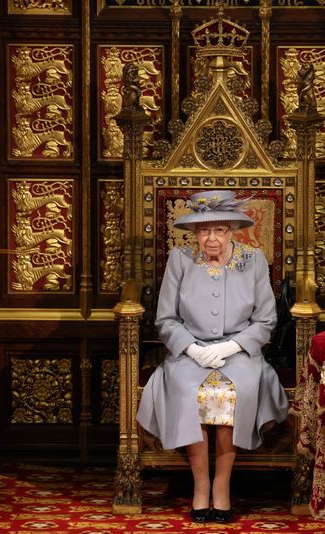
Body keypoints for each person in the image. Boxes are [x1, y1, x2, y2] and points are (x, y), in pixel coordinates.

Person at [137, 190, 289, 524]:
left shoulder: (253, 261)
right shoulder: (180, 260)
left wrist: (230, 347)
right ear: (194, 232)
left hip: (240, 354)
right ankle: (201, 484)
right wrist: (192, 349)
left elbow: (266, 321)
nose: (212, 238)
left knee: (234, 394)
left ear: (233, 230)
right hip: (188, 354)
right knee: (188, 392)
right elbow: (165, 319)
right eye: (204, 230)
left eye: (220, 230)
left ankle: (222, 484)